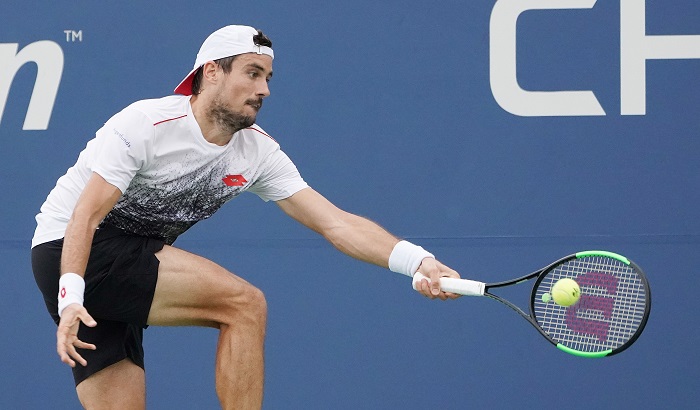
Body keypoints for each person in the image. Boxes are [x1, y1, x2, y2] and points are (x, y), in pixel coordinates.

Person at [31, 25, 461, 409]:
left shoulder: (256, 152)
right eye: (252, 73)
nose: (265, 89)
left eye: (268, 78)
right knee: (244, 305)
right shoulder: (146, 123)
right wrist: (71, 298)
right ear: (212, 72)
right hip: (73, 250)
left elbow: (336, 223)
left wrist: (416, 261)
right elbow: (85, 217)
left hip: (108, 267)